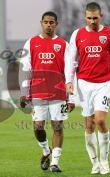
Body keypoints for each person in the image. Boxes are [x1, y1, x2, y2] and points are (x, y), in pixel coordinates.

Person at [65, 2, 110, 175]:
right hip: (84, 84)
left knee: (100, 120)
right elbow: (71, 59)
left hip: (104, 83)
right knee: (89, 125)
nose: (92, 21)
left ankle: (104, 160)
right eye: (89, 18)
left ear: (101, 16)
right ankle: (94, 163)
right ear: (85, 17)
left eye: (95, 17)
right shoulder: (77, 34)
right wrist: (68, 80)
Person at [19, 11, 75, 173]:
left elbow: (70, 72)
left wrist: (71, 97)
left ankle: (55, 163)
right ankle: (45, 151)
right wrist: (24, 91)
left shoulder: (64, 45)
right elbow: (26, 69)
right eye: (46, 22)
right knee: (38, 127)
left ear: (56, 24)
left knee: (57, 127)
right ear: (41, 23)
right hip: (37, 93)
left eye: (52, 22)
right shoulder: (31, 43)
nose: (48, 25)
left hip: (58, 93)